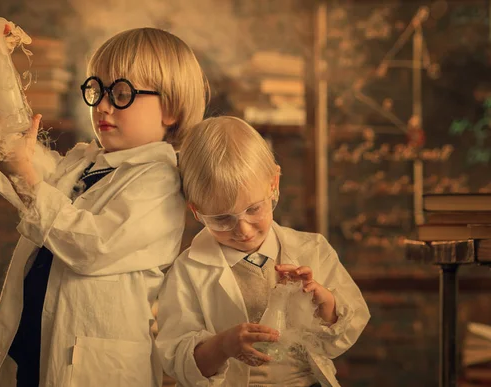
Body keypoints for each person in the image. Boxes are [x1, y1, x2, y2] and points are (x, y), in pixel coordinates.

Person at [0, 24, 208, 387]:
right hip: (36, 349)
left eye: (122, 93)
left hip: (92, 367)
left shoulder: (162, 182)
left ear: (170, 108)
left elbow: (92, 246)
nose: (103, 105)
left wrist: (28, 177)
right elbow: (16, 145)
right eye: (97, 89)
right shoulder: (85, 163)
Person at [156, 116, 370, 387]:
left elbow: (347, 332)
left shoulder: (313, 250)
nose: (243, 230)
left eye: (254, 209)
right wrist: (222, 346)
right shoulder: (188, 272)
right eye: (222, 219)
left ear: (273, 184)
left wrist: (324, 302)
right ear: (197, 211)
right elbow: (178, 363)